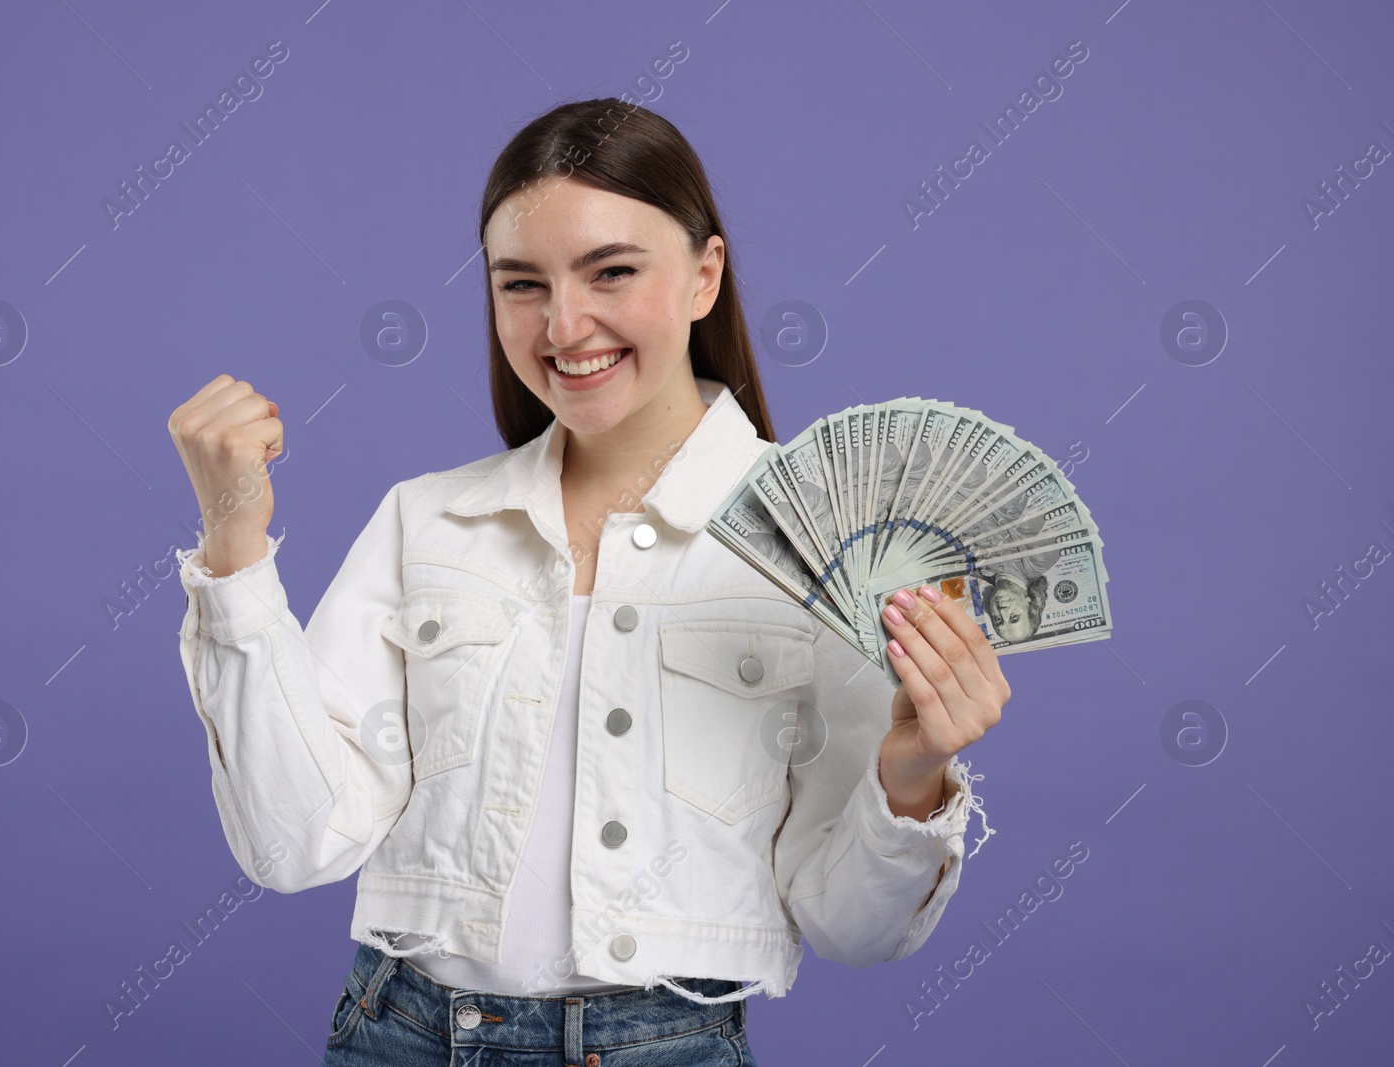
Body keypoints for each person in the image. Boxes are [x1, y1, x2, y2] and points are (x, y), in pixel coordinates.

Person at [166, 97, 1007, 1066]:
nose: (564, 325)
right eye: (521, 283)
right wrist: (234, 547)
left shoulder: (824, 553)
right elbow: (293, 845)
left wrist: (911, 772)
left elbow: (853, 927)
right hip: (400, 1035)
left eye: (611, 271)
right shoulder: (426, 521)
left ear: (704, 274)